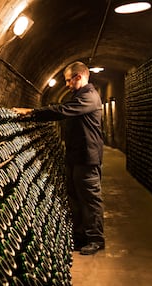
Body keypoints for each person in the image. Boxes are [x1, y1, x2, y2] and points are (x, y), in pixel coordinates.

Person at [13, 61, 105, 255]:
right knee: (75, 199)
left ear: (78, 77)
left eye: (68, 80)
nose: (67, 85)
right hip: (74, 156)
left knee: (89, 199)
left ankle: (96, 239)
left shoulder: (89, 97)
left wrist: (32, 112)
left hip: (87, 158)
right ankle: (80, 238)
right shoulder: (78, 96)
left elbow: (62, 110)